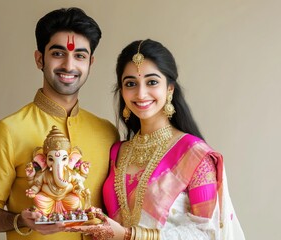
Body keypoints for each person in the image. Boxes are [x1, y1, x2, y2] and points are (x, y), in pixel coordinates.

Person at [66, 39, 245, 239]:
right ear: (122, 91)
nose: (141, 93)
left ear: (170, 88)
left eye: (152, 82)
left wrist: (129, 235)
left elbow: (208, 232)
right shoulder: (117, 151)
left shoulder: (195, 155)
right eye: (131, 84)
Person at [0, 7, 119, 240]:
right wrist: (20, 220)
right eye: (58, 54)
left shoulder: (107, 133)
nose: (69, 66)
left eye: (79, 55)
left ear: (90, 62)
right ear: (40, 59)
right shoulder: (7, 131)